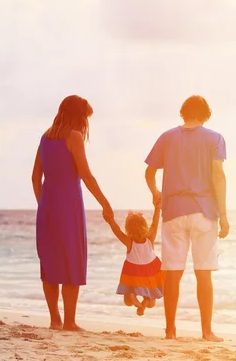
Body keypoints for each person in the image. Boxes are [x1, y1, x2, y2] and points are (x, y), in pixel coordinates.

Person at [144, 95, 230, 342]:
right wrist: (223, 214)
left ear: (183, 112)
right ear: (205, 114)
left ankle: (170, 331)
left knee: (173, 273)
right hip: (204, 212)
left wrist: (155, 193)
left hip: (173, 212)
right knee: (204, 272)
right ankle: (207, 332)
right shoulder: (215, 138)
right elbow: (218, 175)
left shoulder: (167, 137)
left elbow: (149, 172)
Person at [31, 95, 114, 331]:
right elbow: (86, 175)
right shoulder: (74, 137)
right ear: (79, 116)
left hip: (47, 208)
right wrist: (105, 203)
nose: (86, 123)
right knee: (71, 262)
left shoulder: (45, 138)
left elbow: (35, 177)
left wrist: (44, 203)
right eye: (86, 117)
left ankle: (54, 321)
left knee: (49, 264)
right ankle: (70, 322)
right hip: (69, 207)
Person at [107, 206, 165, 316]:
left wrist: (111, 221)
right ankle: (146, 300)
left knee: (127, 302)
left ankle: (132, 295)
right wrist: (157, 208)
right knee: (152, 303)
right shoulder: (150, 238)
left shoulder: (129, 242)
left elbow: (117, 231)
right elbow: (155, 223)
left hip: (133, 271)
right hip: (150, 270)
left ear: (128, 228)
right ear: (144, 226)